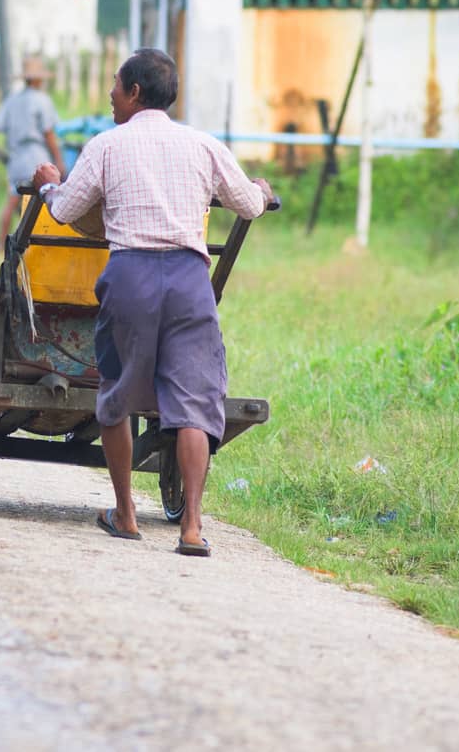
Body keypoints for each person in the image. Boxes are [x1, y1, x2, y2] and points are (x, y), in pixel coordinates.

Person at [32, 48, 273, 558]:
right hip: (189, 282)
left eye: (116, 87)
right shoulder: (202, 144)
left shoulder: (107, 146)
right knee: (192, 407)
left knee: (117, 397)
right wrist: (259, 186)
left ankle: (125, 515)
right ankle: (191, 527)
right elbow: (250, 205)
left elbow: (70, 207)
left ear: (135, 92)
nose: (111, 96)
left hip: (131, 276)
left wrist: (49, 185)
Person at [0, 55, 66, 240]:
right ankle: (35, 244)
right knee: (41, 202)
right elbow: (49, 133)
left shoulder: (12, 100)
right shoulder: (42, 100)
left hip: (17, 158)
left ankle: (1, 246)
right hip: (37, 157)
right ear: (37, 79)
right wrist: (59, 160)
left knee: (12, 201)